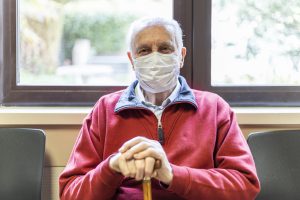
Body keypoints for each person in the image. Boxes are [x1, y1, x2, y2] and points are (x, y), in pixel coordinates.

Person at [59, 17, 260, 200]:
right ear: (132, 60)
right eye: (144, 50)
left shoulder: (214, 108)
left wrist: (173, 175)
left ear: (181, 56)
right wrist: (112, 167)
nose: (155, 58)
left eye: (164, 48)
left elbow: (244, 186)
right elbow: (70, 192)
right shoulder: (105, 110)